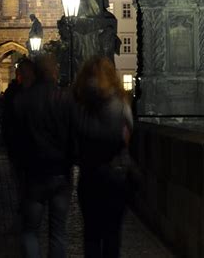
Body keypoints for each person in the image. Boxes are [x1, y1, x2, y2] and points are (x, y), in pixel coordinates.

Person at [72, 57, 133, 258]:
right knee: (112, 235)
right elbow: (127, 137)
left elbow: (73, 141)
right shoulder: (120, 103)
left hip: (89, 175)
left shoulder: (79, 104)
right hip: (116, 175)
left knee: (91, 235)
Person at [12, 55, 72, 258]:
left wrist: (19, 168)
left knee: (30, 231)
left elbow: (15, 139)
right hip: (60, 173)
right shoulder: (64, 98)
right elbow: (72, 136)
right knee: (58, 231)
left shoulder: (23, 99)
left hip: (33, 174)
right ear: (54, 72)